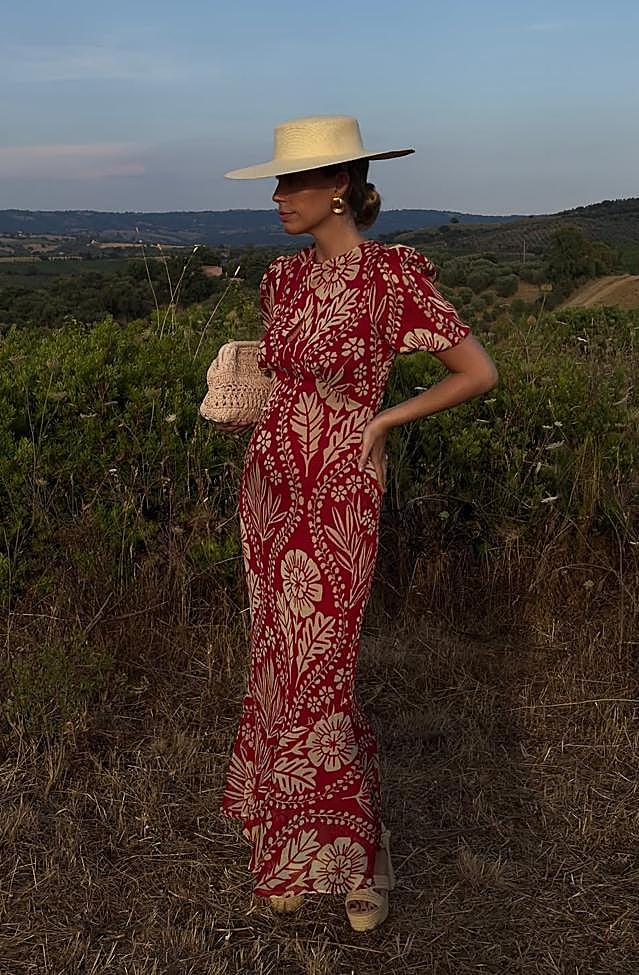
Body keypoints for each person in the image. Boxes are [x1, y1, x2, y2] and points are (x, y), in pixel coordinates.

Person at [214, 115, 498, 931]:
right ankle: (292, 841)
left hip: (340, 496)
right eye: (276, 182)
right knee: (277, 661)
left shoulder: (395, 277)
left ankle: (361, 849)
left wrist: (380, 424)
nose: (277, 197)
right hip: (268, 489)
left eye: (292, 182)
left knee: (323, 674)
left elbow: (477, 371)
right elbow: (279, 374)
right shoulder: (281, 281)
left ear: (341, 186)